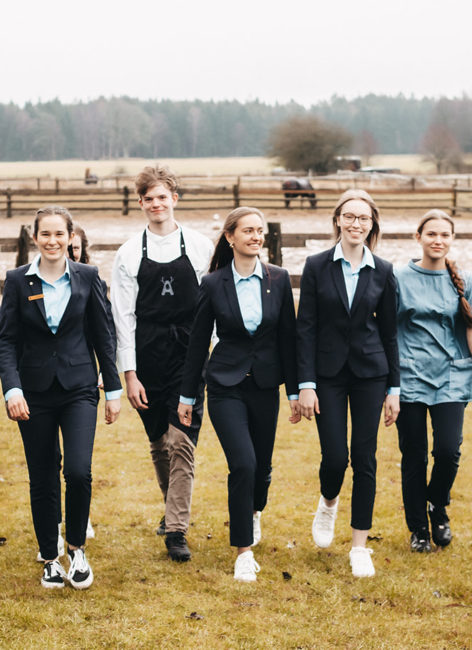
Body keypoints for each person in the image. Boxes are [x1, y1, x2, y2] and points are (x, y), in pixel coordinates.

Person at [0, 205, 121, 589]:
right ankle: (50, 558)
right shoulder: (17, 281)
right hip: (32, 393)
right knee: (43, 474)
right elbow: (6, 340)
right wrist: (12, 388)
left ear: (71, 237)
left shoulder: (87, 276)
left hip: (80, 389)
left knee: (78, 471)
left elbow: (103, 335)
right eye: (45, 234)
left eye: (59, 234)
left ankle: (78, 549)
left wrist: (113, 389)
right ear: (35, 238)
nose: (53, 241)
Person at [178, 206, 300, 582]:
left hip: (265, 385)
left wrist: (295, 392)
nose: (255, 236)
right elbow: (198, 343)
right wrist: (187, 396)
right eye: (247, 230)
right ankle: (243, 551)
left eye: (259, 230)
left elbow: (288, 340)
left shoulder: (278, 280)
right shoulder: (213, 283)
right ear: (230, 237)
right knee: (243, 464)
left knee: (261, 469)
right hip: (225, 384)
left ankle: (254, 510)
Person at [111, 165, 213, 562]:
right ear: (141, 204)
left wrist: (212, 353)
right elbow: (123, 317)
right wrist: (130, 374)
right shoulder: (127, 253)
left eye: (163, 197)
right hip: (147, 351)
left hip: (190, 351)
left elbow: (213, 306)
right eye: (149, 198)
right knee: (159, 442)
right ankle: (172, 510)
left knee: (181, 440)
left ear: (175, 199)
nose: (157, 204)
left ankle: (176, 530)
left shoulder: (201, 246)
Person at [297, 189, 400, 578]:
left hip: (371, 374)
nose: (356, 224)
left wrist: (395, 388)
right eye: (349, 216)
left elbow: (390, 334)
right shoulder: (316, 265)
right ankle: (328, 501)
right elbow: (304, 327)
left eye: (364, 218)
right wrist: (306, 383)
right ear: (337, 220)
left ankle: (360, 545)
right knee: (336, 457)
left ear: (372, 225)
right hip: (326, 376)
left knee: (366, 457)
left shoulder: (384, 271)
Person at [395, 210, 472, 552]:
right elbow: (386, 330)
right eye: (431, 234)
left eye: (445, 235)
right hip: (410, 375)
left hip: (453, 376)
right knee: (414, 456)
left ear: (451, 240)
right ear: (419, 237)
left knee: (448, 451)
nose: (438, 241)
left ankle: (437, 505)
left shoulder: (465, 281)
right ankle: (419, 530)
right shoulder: (398, 278)